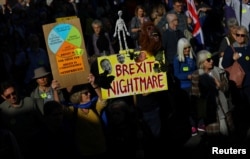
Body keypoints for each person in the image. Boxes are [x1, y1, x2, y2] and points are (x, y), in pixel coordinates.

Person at [63, 75, 108, 158]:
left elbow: (103, 100)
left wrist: (95, 86)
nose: (89, 94)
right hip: (83, 152)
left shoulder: (94, 107)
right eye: (86, 93)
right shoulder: (73, 110)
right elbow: (60, 109)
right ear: (78, 96)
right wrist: (55, 91)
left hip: (100, 150)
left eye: (89, 92)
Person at [191, 50, 230, 136]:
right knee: (214, 137)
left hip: (223, 108)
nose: (211, 61)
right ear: (202, 62)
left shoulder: (219, 71)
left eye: (211, 59)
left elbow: (226, 88)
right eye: (208, 60)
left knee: (226, 134)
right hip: (210, 112)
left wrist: (220, 85)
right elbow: (196, 96)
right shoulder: (196, 75)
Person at [0, 80, 43, 158]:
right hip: (19, 149)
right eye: (8, 96)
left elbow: (41, 120)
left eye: (13, 93)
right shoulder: (2, 110)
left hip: (37, 143)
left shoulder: (29, 102)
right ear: (3, 97)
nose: (12, 97)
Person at [222, 25, 250, 142]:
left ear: (246, 36)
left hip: (248, 83)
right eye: (237, 35)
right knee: (238, 108)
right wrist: (231, 59)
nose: (239, 37)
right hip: (236, 84)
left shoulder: (248, 48)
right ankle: (239, 133)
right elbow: (224, 65)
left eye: (242, 35)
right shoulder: (231, 48)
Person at [173, 38, 197, 136]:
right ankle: (192, 126)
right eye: (185, 48)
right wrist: (187, 76)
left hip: (194, 85)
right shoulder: (177, 59)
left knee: (196, 105)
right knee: (188, 107)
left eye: (188, 47)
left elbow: (195, 69)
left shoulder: (192, 57)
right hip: (184, 87)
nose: (187, 50)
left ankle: (199, 123)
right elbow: (176, 74)